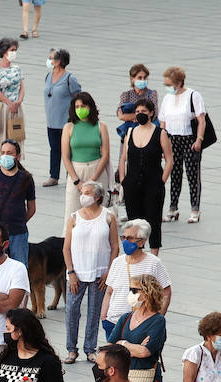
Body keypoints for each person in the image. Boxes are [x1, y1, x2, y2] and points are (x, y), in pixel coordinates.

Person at [61, 182, 119, 366]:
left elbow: (115, 247)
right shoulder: (74, 217)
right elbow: (66, 248)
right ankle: (71, 348)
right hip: (77, 272)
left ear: (97, 197)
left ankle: (90, 348)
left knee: (94, 312)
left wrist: (108, 273)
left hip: (99, 273)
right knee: (72, 310)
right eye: (82, 192)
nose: (83, 196)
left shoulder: (108, 217)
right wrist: (71, 272)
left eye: (87, 193)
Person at [116, 98, 171, 253]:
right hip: (132, 183)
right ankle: (136, 252)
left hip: (153, 183)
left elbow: (169, 159)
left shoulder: (160, 133)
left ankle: (154, 256)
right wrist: (122, 179)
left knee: (153, 220)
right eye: (138, 112)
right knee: (134, 221)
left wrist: (161, 181)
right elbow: (123, 158)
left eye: (144, 112)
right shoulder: (130, 132)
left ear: (151, 113)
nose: (140, 114)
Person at [100, 219, 172, 330]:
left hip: (140, 324)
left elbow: (166, 292)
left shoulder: (154, 263)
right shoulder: (117, 262)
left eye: (129, 238)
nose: (125, 241)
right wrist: (104, 316)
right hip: (113, 322)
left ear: (142, 242)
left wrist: (157, 318)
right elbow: (109, 292)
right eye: (123, 237)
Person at [158, 66, 207, 224]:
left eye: (169, 84)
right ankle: (173, 208)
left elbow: (201, 120)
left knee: (192, 175)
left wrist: (199, 139)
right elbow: (163, 122)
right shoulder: (167, 99)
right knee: (175, 173)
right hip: (172, 138)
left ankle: (195, 209)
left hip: (189, 138)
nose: (167, 88)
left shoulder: (193, 95)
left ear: (178, 83)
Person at [106, 273, 167, 382]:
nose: (130, 294)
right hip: (120, 376)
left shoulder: (158, 321)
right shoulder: (126, 317)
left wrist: (122, 344)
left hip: (143, 376)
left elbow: (145, 352)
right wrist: (135, 348)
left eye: (134, 290)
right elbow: (109, 347)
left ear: (147, 292)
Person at [0, 140, 36, 266]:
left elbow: (31, 208)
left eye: (9, 153)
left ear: (18, 156)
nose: (5, 155)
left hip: (18, 233)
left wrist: (19, 222)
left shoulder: (26, 179)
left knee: (19, 267)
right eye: (3, 152)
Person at [60, 92, 110, 224]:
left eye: (83, 106)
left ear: (90, 107)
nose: (80, 109)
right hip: (76, 171)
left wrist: (92, 180)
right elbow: (65, 157)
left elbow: (105, 155)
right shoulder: (69, 127)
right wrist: (77, 181)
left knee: (99, 215)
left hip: (97, 171)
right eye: (77, 107)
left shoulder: (101, 126)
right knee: (72, 215)